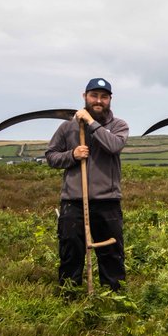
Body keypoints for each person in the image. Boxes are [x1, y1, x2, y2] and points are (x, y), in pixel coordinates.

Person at [44, 77, 129, 290]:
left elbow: (113, 146)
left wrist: (91, 123)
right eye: (94, 96)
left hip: (107, 200)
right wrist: (72, 155)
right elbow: (51, 157)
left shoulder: (119, 125)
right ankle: (69, 295)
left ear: (110, 99)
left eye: (103, 97)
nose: (98, 100)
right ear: (85, 97)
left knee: (112, 252)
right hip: (73, 200)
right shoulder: (67, 128)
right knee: (71, 249)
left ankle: (114, 297)